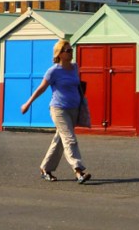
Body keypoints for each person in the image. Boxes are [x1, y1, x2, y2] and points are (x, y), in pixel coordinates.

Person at [21, 39, 92, 184]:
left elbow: (77, 86)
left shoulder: (74, 67)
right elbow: (41, 88)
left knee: (60, 140)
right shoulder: (53, 71)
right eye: (67, 50)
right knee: (69, 138)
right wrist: (28, 103)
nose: (71, 53)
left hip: (73, 109)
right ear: (59, 54)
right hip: (58, 109)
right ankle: (78, 171)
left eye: (71, 50)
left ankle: (45, 169)